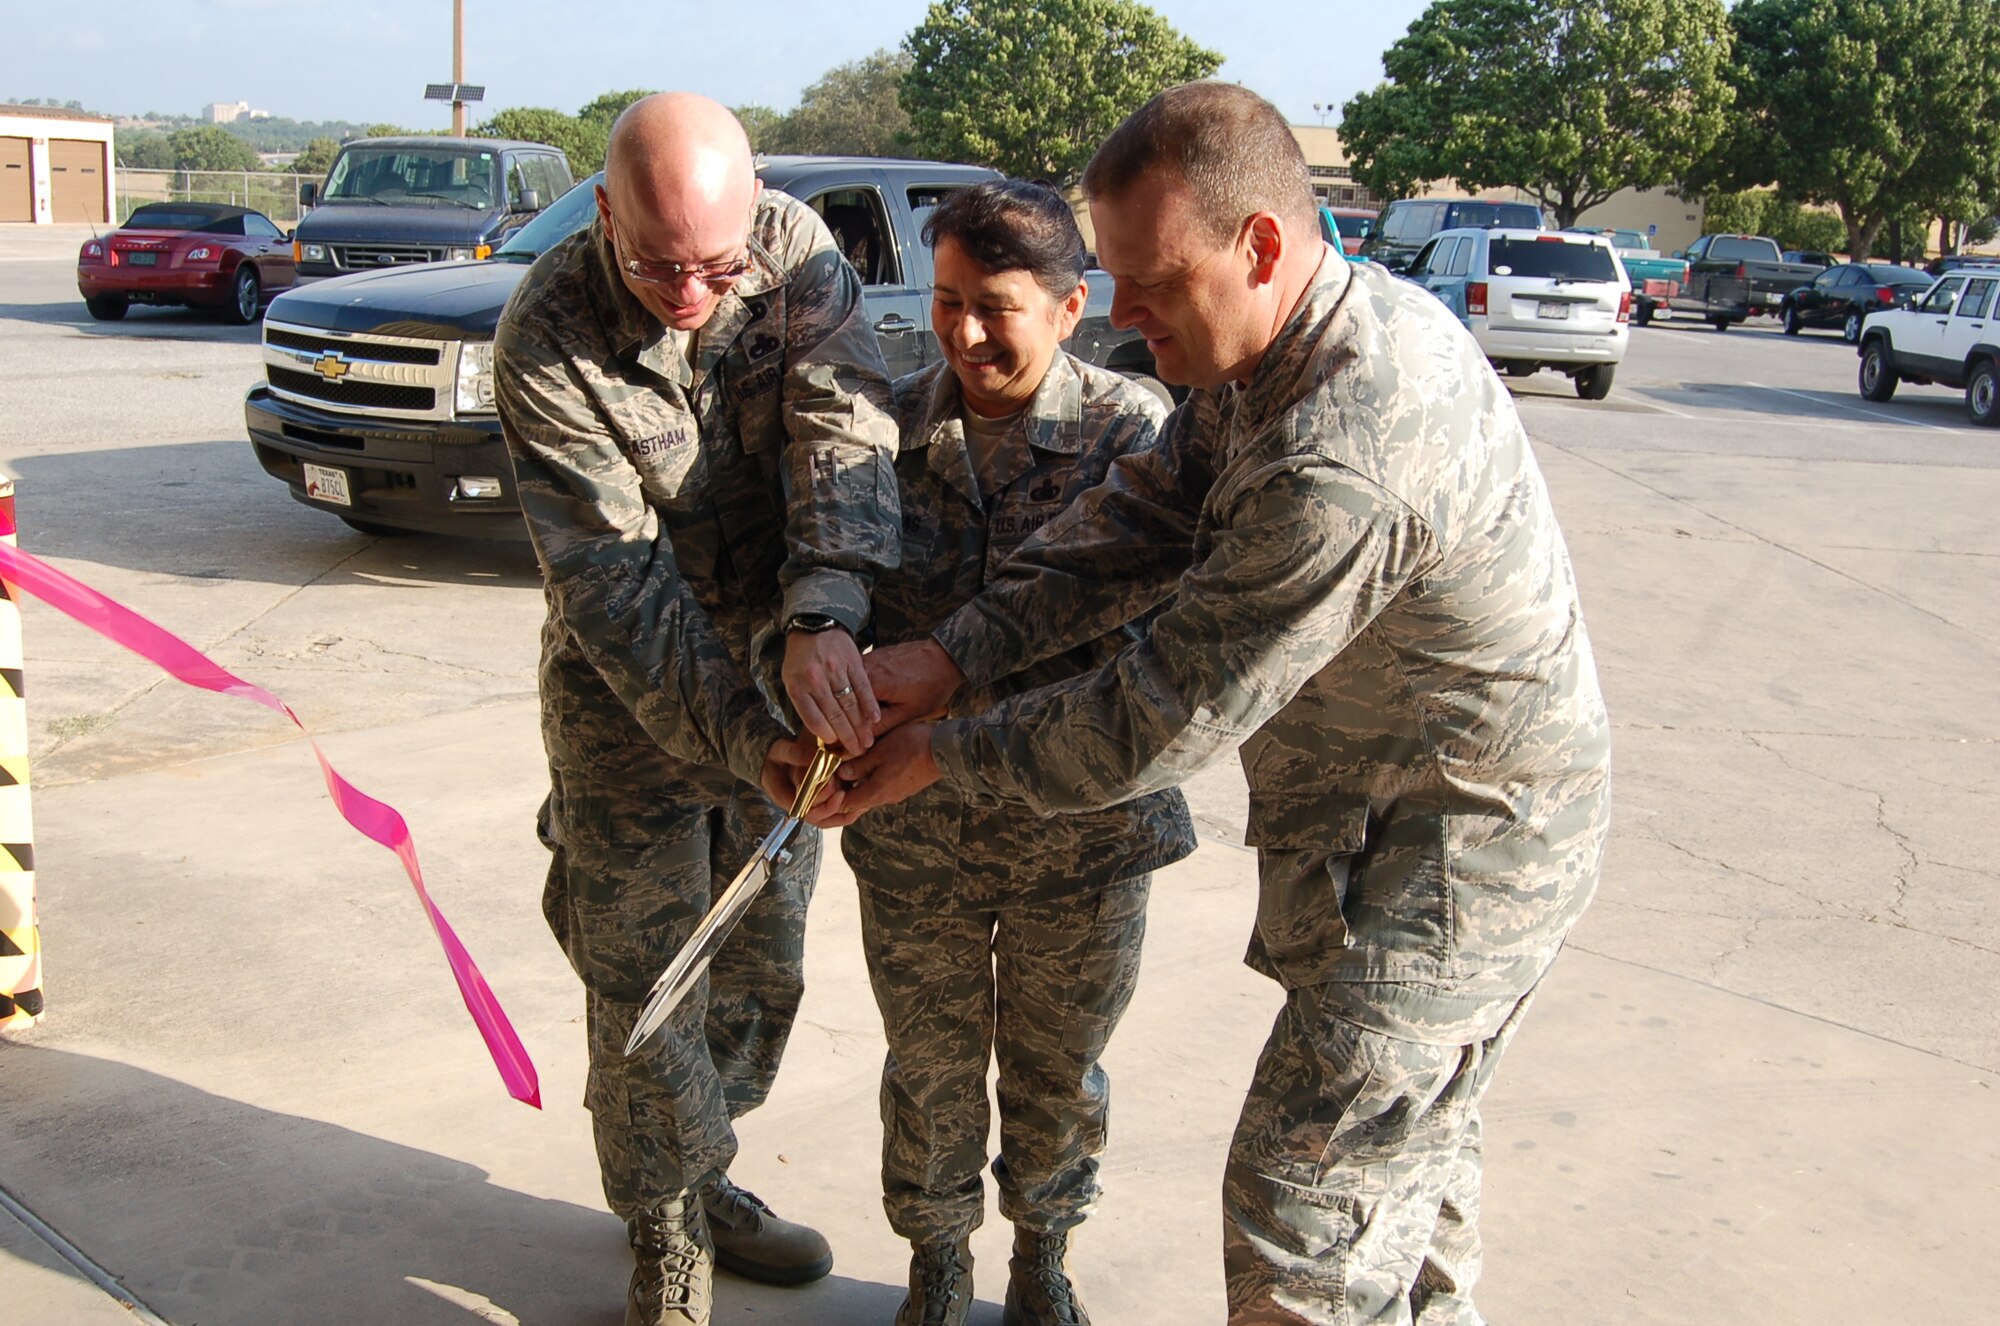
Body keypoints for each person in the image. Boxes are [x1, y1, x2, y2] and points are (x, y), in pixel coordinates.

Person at [821, 83, 1611, 1325]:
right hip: (1387, 831)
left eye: (1149, 282)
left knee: (1303, 1213)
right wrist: (951, 654)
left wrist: (937, 749)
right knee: (1405, 1197)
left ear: (1257, 246)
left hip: (1457, 859)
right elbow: (1137, 520)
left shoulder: (1340, 452)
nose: (1123, 322)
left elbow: (1157, 714)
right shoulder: (1270, 356)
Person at [494, 93, 900, 1326]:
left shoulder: (797, 254)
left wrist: (826, 614)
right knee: (643, 977)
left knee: (759, 971)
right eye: (658, 264)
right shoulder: (544, 336)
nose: (691, 291)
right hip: (632, 702)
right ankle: (663, 1227)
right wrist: (750, 736)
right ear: (602, 209)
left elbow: (844, 438)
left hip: (790, 672)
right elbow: (617, 585)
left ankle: (710, 1169)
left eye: (715, 266)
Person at [775, 180, 1195, 1326]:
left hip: (1081, 832)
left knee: (1058, 1073)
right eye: (948, 301)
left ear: (1069, 308)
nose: (962, 334)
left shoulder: (1135, 438)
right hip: (914, 837)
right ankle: (937, 1261)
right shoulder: (885, 432)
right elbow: (831, 595)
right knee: (929, 1065)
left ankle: (1041, 1254)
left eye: (995, 307)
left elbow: (1147, 655)